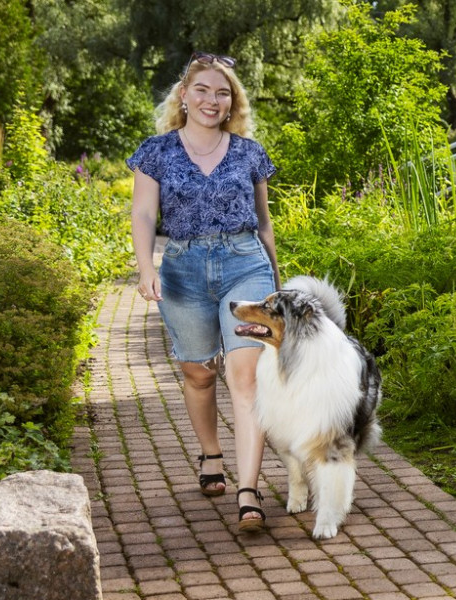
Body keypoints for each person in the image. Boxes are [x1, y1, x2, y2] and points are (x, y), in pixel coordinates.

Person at [126, 52, 280, 533]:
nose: (213, 100)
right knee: (197, 372)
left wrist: (275, 282)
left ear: (233, 101)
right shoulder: (155, 151)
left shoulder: (249, 152)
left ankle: (249, 491)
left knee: (245, 375)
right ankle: (212, 453)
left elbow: (264, 223)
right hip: (183, 269)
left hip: (244, 263)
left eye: (223, 92)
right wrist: (144, 265)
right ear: (184, 96)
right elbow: (145, 215)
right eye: (203, 90)